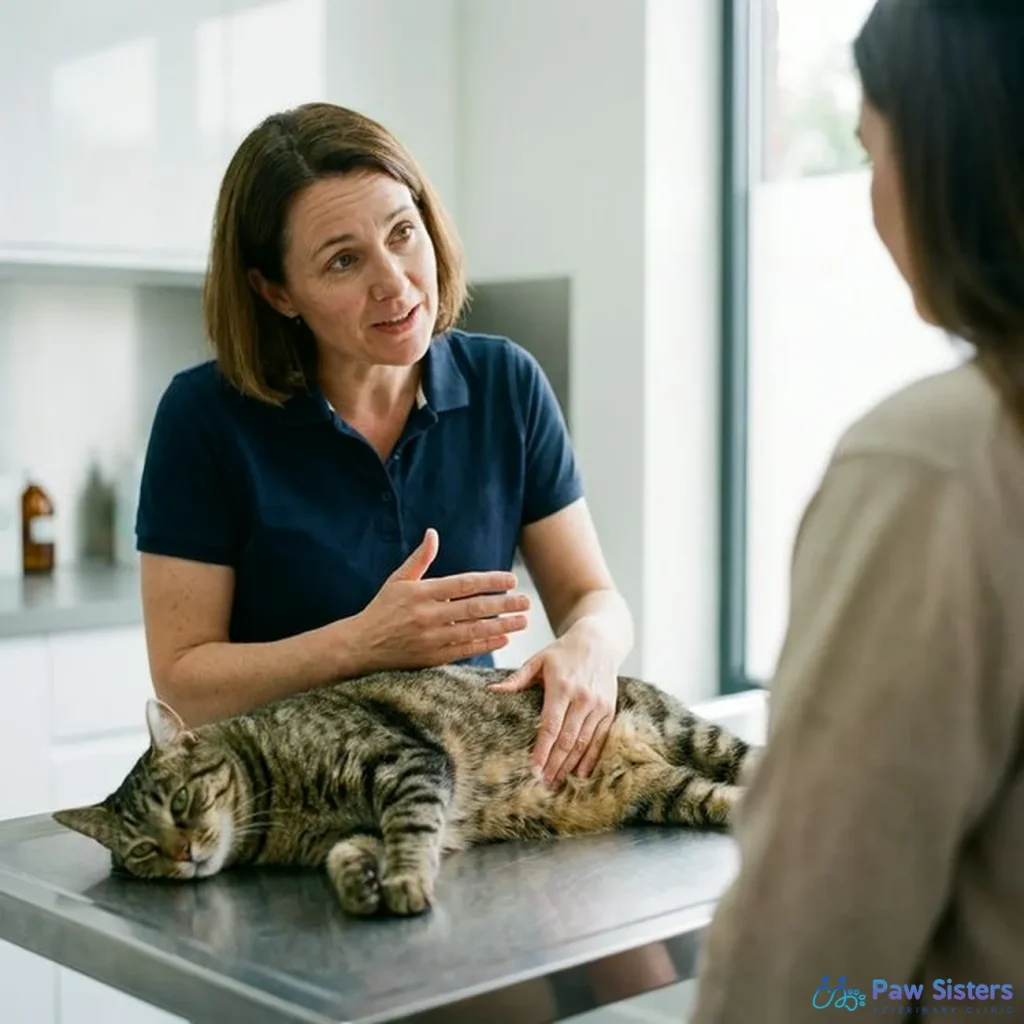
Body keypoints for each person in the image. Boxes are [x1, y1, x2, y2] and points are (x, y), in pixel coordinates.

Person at [135, 101, 633, 788]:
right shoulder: (202, 418)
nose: (395, 283)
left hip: (467, 792)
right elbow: (184, 684)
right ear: (277, 292)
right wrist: (361, 645)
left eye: (403, 232)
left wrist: (591, 644)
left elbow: (592, 596)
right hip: (289, 804)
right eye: (343, 261)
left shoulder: (506, 383)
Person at [691, 1, 1024, 1020]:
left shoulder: (937, 464)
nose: (872, 202)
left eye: (873, 150)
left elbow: (806, 962)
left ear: (954, 159)